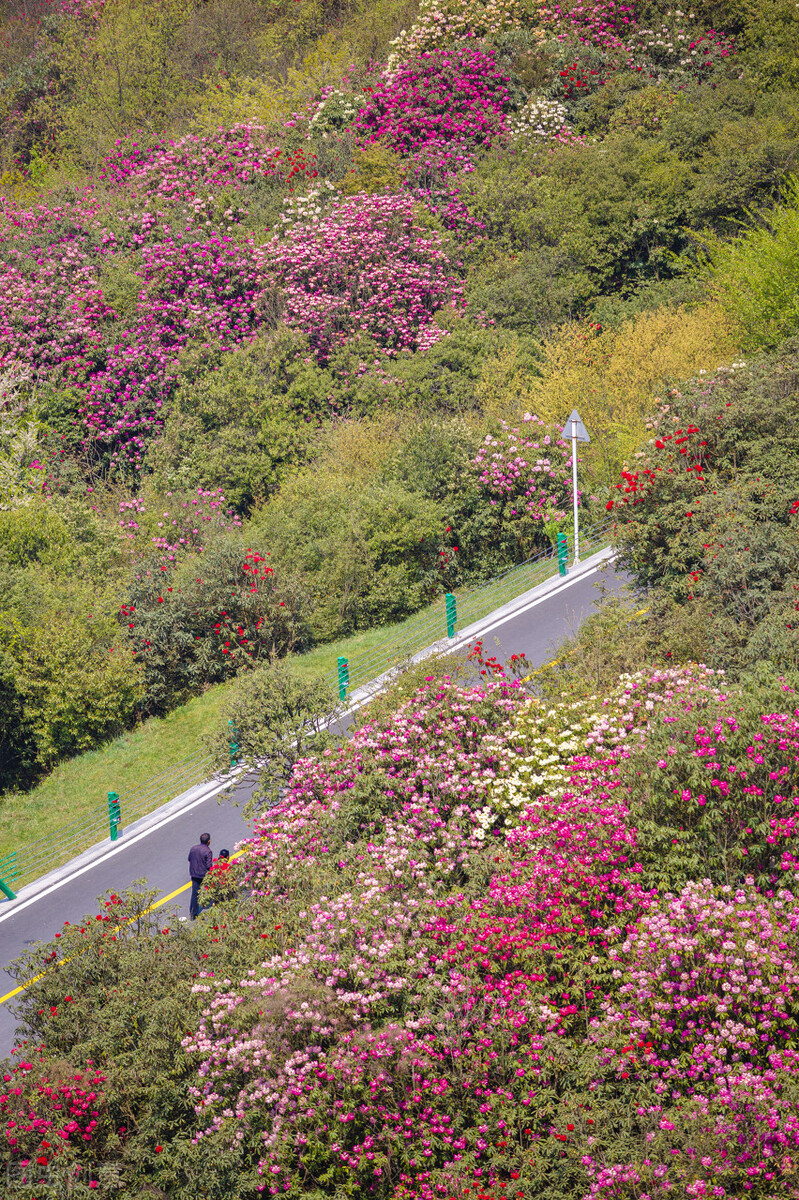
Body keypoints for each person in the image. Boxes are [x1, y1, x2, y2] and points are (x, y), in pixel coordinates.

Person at [188, 832, 212, 919]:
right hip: (203, 875)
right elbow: (209, 865)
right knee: (211, 889)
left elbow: (189, 859)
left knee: (195, 893)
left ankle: (193, 912)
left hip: (194, 874)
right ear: (208, 841)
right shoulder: (208, 851)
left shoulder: (193, 848)